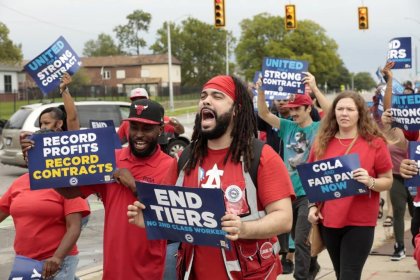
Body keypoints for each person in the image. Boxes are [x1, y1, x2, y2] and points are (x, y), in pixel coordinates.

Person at [128, 75, 295, 279]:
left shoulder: (261, 156)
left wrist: (244, 228)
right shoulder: (185, 158)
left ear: (237, 109)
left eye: (217, 96)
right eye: (203, 95)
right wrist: (149, 220)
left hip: (249, 274)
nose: (206, 100)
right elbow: (171, 218)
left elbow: (284, 219)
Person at [55, 99, 176, 280]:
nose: (138, 134)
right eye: (134, 127)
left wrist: (134, 185)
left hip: (148, 268)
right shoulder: (110, 158)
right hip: (113, 267)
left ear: (160, 129)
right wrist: (38, 165)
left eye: (146, 128)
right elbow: (70, 192)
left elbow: (165, 214)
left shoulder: (169, 165)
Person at [0, 73, 91, 280]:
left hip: (69, 202)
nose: (43, 127)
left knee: (67, 224)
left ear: (59, 124)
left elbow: (73, 117)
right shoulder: (24, 177)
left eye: (47, 123)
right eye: (41, 123)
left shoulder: (68, 142)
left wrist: (64, 90)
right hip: (27, 261)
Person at [307, 91, 393, 279]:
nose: (344, 113)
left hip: (360, 222)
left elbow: (387, 180)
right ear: (333, 113)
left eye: (350, 109)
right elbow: (313, 182)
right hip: (329, 221)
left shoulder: (375, 143)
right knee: (340, 274)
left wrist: (370, 181)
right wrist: (312, 207)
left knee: (349, 275)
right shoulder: (321, 142)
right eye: (340, 109)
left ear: (359, 113)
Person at [257, 72, 328, 280]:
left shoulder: (319, 128)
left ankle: (302, 276)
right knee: (300, 240)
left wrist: (314, 88)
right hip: (289, 193)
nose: (293, 113)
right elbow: (263, 113)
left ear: (308, 108)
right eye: (291, 109)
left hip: (309, 193)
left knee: (300, 242)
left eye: (298, 109)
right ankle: (312, 267)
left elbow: (331, 113)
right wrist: (261, 90)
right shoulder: (287, 126)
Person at [117, 87, 185, 145]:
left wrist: (176, 125)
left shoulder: (160, 119)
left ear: (149, 100)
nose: (139, 102)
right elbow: (116, 143)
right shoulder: (126, 123)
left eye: (142, 99)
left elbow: (180, 131)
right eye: (135, 101)